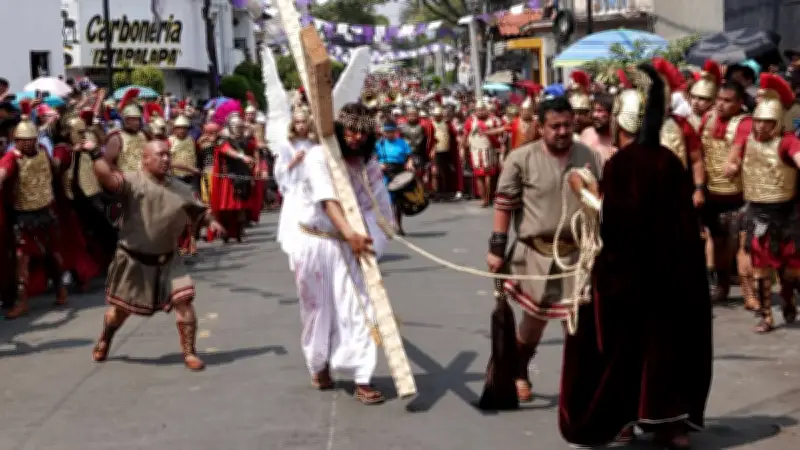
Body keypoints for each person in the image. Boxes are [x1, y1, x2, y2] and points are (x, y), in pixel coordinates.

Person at [558, 63, 713, 449]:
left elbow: (615, 222)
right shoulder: (670, 162)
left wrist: (583, 191)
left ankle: (622, 419)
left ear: (619, 121)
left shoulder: (621, 165)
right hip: (675, 276)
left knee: (619, 350)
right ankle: (671, 424)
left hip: (630, 277)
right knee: (670, 347)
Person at [486, 96, 603, 403]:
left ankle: (579, 385)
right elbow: (504, 204)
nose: (562, 131)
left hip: (578, 255)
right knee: (534, 323)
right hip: (535, 254)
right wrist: (497, 248)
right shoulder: (520, 158)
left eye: (567, 125)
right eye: (554, 126)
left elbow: (600, 203)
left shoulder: (588, 155)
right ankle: (519, 371)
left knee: (576, 323)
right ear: (540, 126)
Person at [88, 139, 225, 370]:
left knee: (185, 302)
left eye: (168, 155)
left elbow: (200, 212)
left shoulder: (181, 189)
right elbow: (105, 177)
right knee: (118, 313)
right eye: (159, 155)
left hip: (169, 259)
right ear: (145, 159)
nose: (165, 159)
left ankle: (190, 353)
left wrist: (212, 222)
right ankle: (105, 338)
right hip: (134, 260)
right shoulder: (132, 182)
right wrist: (94, 153)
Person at [292, 103, 394, 404]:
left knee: (360, 309)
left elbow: (379, 206)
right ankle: (319, 363)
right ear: (339, 129)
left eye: (363, 132)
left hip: (355, 245)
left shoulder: (368, 164)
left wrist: (372, 239)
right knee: (317, 310)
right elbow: (327, 199)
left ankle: (362, 377)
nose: (356, 137)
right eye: (351, 130)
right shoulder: (317, 156)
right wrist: (348, 233)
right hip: (318, 242)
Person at [724, 73, 800, 333]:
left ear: (777, 123)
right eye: (757, 122)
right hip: (757, 212)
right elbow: (732, 159)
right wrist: (731, 165)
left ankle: (789, 299)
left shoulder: (788, 141)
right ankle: (765, 315)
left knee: (791, 271)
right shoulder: (747, 140)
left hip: (786, 214)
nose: (759, 127)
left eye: (766, 123)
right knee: (760, 268)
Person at [698, 81, 753, 304]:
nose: (721, 104)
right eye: (719, 99)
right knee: (719, 244)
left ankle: (751, 293)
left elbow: (738, 148)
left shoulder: (746, 123)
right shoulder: (707, 118)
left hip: (740, 195)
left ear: (740, 103)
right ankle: (721, 287)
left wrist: (733, 163)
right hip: (712, 193)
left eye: (727, 101)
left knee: (743, 247)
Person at [274, 110, 317, 266]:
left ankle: (311, 254)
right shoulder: (287, 144)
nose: (300, 126)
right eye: (297, 122)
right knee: (295, 221)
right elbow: (279, 170)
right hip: (295, 188)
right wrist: (294, 161)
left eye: (303, 122)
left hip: (311, 188)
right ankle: (297, 256)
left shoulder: (313, 143)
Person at [169, 115, 201, 256]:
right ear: (174, 129)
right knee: (179, 212)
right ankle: (181, 243)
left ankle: (192, 239)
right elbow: (168, 162)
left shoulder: (191, 140)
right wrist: (188, 168)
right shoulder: (169, 141)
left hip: (191, 179)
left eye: (184, 128)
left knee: (194, 210)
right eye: (179, 128)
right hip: (176, 179)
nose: (182, 131)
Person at [375, 120, 413, 235]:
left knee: (399, 201)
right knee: (388, 200)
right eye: (387, 132)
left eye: (391, 132)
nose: (389, 134)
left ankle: (398, 225)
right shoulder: (379, 144)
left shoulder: (402, 143)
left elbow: (409, 156)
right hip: (385, 173)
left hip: (399, 172)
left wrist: (410, 163)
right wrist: (379, 165)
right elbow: (372, 158)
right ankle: (387, 224)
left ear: (395, 132)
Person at [579, 93, 617, 166]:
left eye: (600, 111)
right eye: (594, 110)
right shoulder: (587, 133)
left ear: (611, 114)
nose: (594, 115)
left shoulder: (617, 139)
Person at [688, 60, 723, 131]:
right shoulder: (687, 119)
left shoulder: (719, 122)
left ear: (713, 101)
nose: (695, 102)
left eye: (702, 98)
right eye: (693, 97)